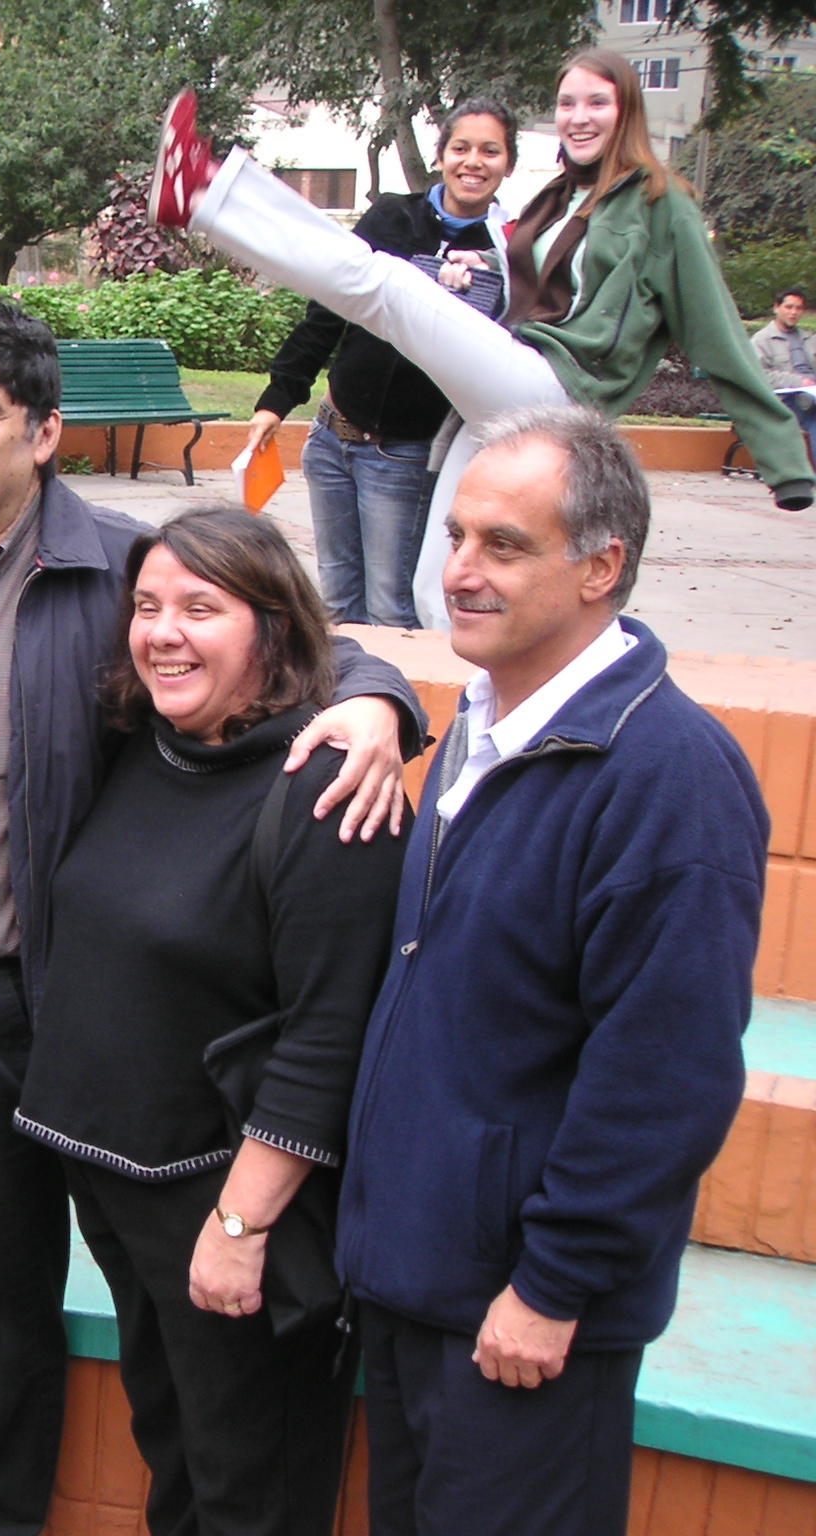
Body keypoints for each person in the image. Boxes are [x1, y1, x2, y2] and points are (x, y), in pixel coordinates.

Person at [0, 301, 425, 1536]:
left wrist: (383, 704)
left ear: (45, 432)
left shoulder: (113, 576)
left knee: (3, 1324)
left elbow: (275, 632)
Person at [336, 405, 767, 1536]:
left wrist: (551, 1285)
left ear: (599, 565)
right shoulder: (478, 723)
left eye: (503, 545)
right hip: (417, 1281)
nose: (460, 572)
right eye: (456, 537)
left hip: (523, 1318)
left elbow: (663, 1075)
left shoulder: (667, 777)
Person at [14, 507, 408, 1536]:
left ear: (269, 629)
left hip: (226, 1203)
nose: (161, 632)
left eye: (200, 607)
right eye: (145, 607)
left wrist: (240, 1227)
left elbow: (327, 1033)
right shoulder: (142, 740)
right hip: (120, 1184)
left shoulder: (325, 787)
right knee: (178, 1457)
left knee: (251, 1484)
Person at [149, 50, 815, 631]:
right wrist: (483, 274)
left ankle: (203, 191)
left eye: (597, 102)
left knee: (386, 283)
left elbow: (719, 334)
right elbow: (547, 293)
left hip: (559, 392)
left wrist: (784, 460)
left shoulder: (660, 205)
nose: (579, 115)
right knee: (440, 584)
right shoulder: (561, 200)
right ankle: (462, 727)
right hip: (503, 403)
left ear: (628, 111)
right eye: (567, 103)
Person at [244, 100, 516, 628]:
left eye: (490, 150)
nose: (473, 162)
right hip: (331, 440)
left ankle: (395, 709)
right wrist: (279, 397)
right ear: (440, 156)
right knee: (338, 607)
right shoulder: (393, 217)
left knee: (392, 608)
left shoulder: (507, 252)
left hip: (404, 458)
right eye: (460, 148)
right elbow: (329, 305)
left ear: (507, 162)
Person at [753, 286, 816, 465]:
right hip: (785, 399)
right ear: (776, 308)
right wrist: (799, 381)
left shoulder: (808, 339)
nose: (794, 312)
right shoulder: (762, 340)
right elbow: (760, 375)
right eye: (789, 307)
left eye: (798, 308)